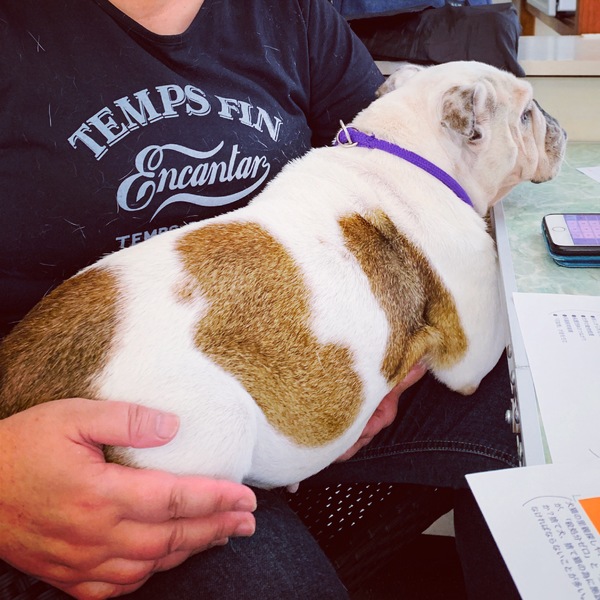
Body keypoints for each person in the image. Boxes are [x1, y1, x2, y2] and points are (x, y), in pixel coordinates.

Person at [0, 1, 520, 598]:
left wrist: (391, 368)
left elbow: (404, 165)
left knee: (550, 399)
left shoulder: (289, 12)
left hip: (301, 384)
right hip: (100, 442)